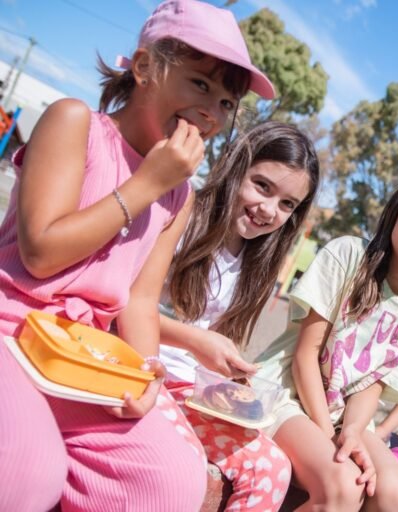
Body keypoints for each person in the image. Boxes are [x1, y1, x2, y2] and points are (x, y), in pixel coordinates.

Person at [0, 1, 276, 510]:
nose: (212, 111)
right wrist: (148, 183)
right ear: (146, 67)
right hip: (13, 334)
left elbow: (141, 300)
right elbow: (40, 254)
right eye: (200, 84)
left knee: (169, 484)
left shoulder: (180, 193)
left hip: (89, 359)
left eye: (226, 102)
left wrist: (147, 372)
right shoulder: (74, 122)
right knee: (27, 470)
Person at [254, 170, 398, 510]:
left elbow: (371, 384)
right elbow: (305, 355)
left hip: (349, 415)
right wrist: (331, 437)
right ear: (393, 216)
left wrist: (352, 432)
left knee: (397, 494)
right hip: (287, 393)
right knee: (344, 484)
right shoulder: (348, 256)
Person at [158, 121, 320, 511]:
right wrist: (198, 342)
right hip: (145, 375)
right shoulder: (182, 216)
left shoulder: (258, 260)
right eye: (262, 185)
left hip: (192, 393)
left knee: (272, 469)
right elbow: (124, 310)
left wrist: (232, 378)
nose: (269, 210)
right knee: (183, 469)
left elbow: (215, 341)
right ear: (235, 166)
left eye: (287, 204)